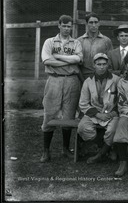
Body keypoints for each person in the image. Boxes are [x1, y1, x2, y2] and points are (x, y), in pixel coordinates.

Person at [39, 14, 83, 162]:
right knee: (49, 113)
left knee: (69, 115)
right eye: (64, 25)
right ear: (59, 25)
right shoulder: (49, 42)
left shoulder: (76, 43)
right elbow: (46, 60)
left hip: (71, 81)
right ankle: (46, 151)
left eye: (69, 26)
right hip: (54, 80)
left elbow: (78, 59)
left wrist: (57, 58)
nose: (66, 28)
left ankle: (65, 149)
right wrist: (68, 62)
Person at [77, 53, 120, 164]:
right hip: (94, 113)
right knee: (82, 128)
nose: (101, 67)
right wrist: (97, 114)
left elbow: (122, 100)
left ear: (108, 65)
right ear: (94, 65)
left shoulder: (116, 80)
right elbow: (83, 103)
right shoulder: (88, 81)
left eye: (104, 64)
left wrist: (112, 113)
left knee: (112, 130)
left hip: (111, 113)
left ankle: (100, 154)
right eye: (99, 64)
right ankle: (104, 147)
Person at [77, 12, 113, 81]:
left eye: (96, 22)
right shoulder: (79, 41)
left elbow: (110, 62)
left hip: (101, 77)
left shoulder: (106, 41)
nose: (94, 25)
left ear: (99, 23)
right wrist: (81, 79)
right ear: (87, 24)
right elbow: (77, 63)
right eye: (91, 22)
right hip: (83, 76)